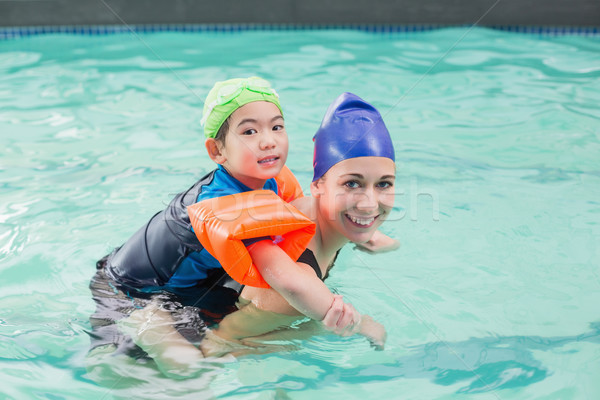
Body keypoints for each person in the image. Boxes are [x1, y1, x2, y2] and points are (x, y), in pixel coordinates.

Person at [88, 78, 390, 365]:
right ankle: (149, 327)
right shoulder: (228, 208)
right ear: (217, 151)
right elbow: (287, 279)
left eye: (276, 127)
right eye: (249, 132)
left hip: (181, 285)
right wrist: (353, 321)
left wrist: (357, 228)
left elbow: (306, 212)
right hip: (131, 292)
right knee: (191, 373)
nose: (268, 141)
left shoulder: (264, 179)